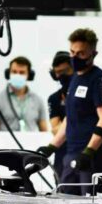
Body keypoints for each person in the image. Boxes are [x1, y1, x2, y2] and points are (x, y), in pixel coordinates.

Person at [37, 28, 102, 195]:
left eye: (81, 54)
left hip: (91, 158)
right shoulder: (75, 80)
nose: (75, 57)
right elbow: (69, 119)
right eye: (72, 52)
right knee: (66, 202)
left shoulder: (99, 79)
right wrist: (51, 147)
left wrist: (89, 151)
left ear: (93, 53)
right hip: (71, 155)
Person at [0, 56, 48, 132]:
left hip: (31, 143)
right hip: (5, 143)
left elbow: (44, 131)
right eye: (14, 72)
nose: (17, 75)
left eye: (22, 72)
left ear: (29, 75)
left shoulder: (37, 100)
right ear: (8, 73)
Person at [46, 51, 73, 179]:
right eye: (58, 72)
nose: (62, 75)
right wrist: (76, 120)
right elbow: (55, 129)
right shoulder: (54, 98)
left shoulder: (85, 93)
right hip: (62, 153)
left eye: (66, 71)